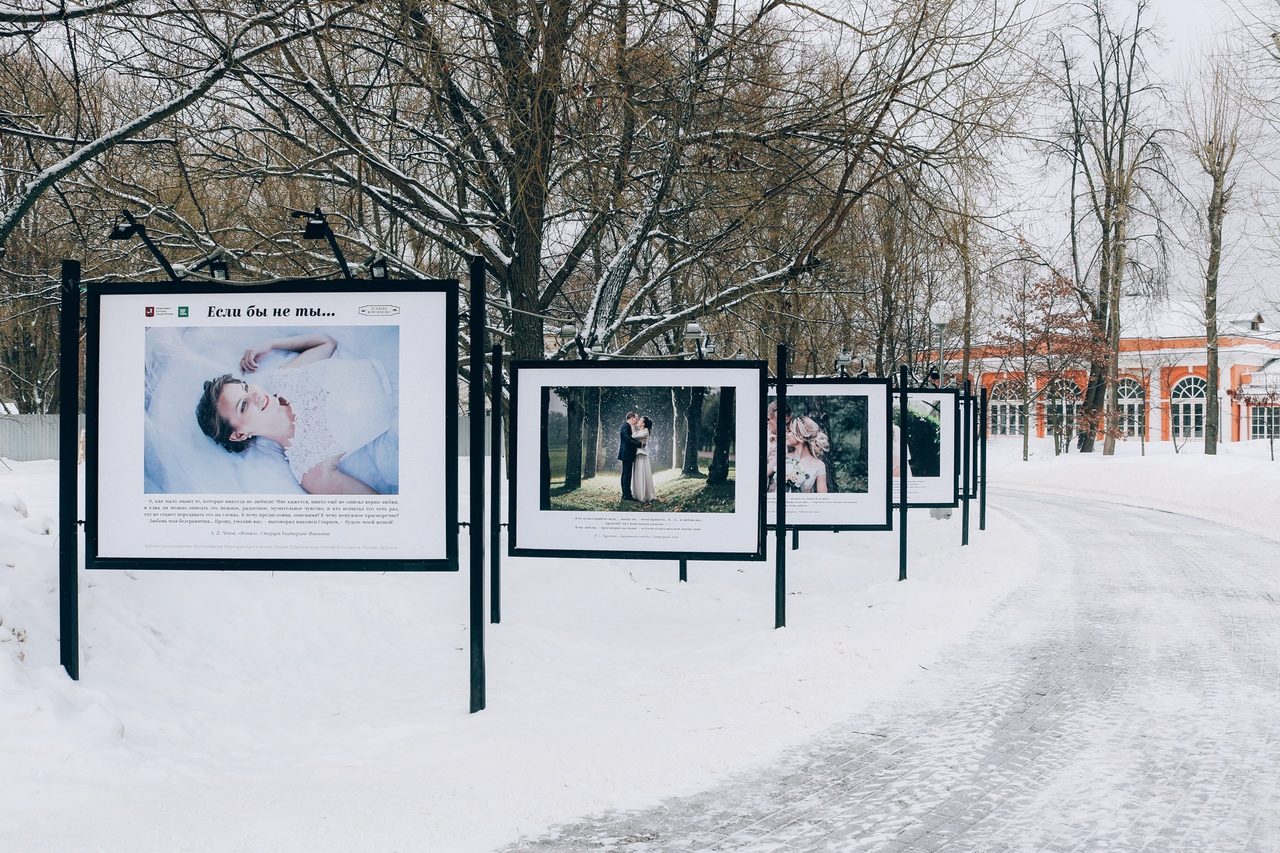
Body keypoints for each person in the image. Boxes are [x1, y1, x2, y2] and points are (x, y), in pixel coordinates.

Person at [195, 331, 393, 495]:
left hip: (393, 359)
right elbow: (376, 506)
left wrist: (272, 344)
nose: (255, 394)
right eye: (243, 406)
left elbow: (327, 343)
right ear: (239, 434)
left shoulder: (283, 379)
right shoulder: (309, 468)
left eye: (246, 387)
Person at [784, 415, 829, 493]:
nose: (786, 434)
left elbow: (823, 499)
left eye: (789, 431)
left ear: (800, 435)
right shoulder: (783, 458)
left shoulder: (819, 465)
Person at [616, 411, 643, 501]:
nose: (637, 420)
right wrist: (638, 444)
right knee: (627, 474)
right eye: (636, 418)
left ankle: (626, 494)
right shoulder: (625, 426)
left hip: (627, 453)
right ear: (631, 418)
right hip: (626, 453)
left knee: (626, 474)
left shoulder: (627, 426)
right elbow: (627, 439)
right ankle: (627, 495)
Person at [631, 416, 657, 503]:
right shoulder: (641, 431)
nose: (638, 421)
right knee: (638, 473)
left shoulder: (645, 431)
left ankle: (644, 495)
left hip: (642, 454)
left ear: (643, 424)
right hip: (638, 454)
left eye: (640, 421)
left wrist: (632, 427)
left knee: (642, 474)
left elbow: (634, 436)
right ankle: (638, 494)